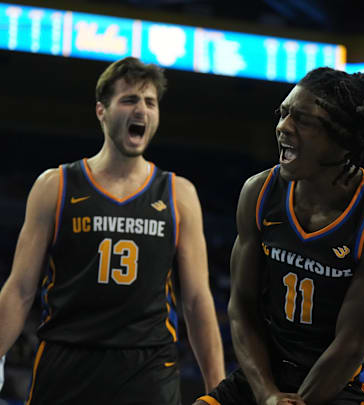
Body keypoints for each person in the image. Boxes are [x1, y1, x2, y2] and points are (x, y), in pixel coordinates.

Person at [194, 67, 364, 405]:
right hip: (263, 380)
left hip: (338, 388)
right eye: (283, 113)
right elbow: (242, 307)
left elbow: (351, 345)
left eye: (302, 120)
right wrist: (267, 395)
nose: (282, 126)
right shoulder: (259, 192)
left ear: (342, 137)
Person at [0, 57, 225, 404]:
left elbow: (196, 301)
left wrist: (218, 390)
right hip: (67, 362)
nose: (142, 110)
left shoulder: (179, 193)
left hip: (148, 369)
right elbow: (19, 290)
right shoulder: (55, 185)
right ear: (101, 111)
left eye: (150, 102)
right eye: (129, 100)